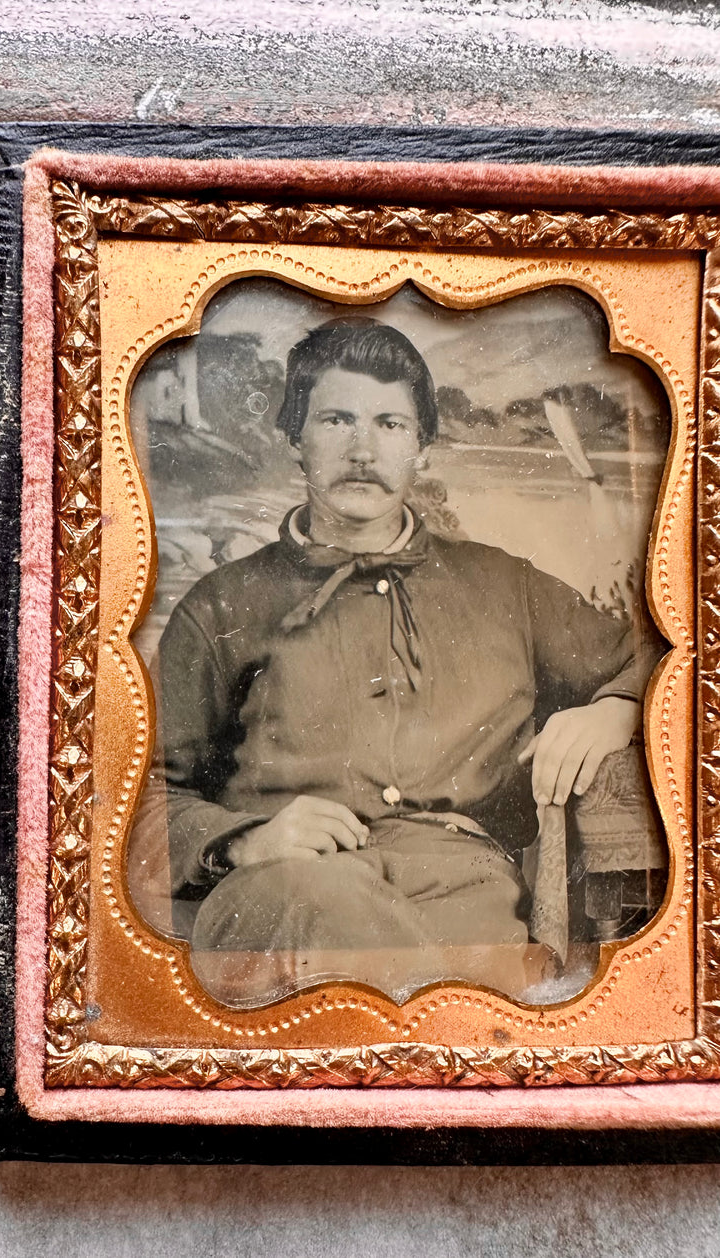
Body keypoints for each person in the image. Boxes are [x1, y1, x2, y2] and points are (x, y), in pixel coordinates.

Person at [131, 317, 657, 1004]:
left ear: (423, 449)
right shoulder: (221, 605)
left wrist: (617, 708)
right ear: (295, 439)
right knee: (381, 955)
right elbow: (137, 800)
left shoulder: (505, 586)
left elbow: (668, 652)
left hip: (466, 889)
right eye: (335, 420)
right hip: (283, 888)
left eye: (389, 425)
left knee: (470, 988)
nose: (361, 449)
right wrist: (242, 840)